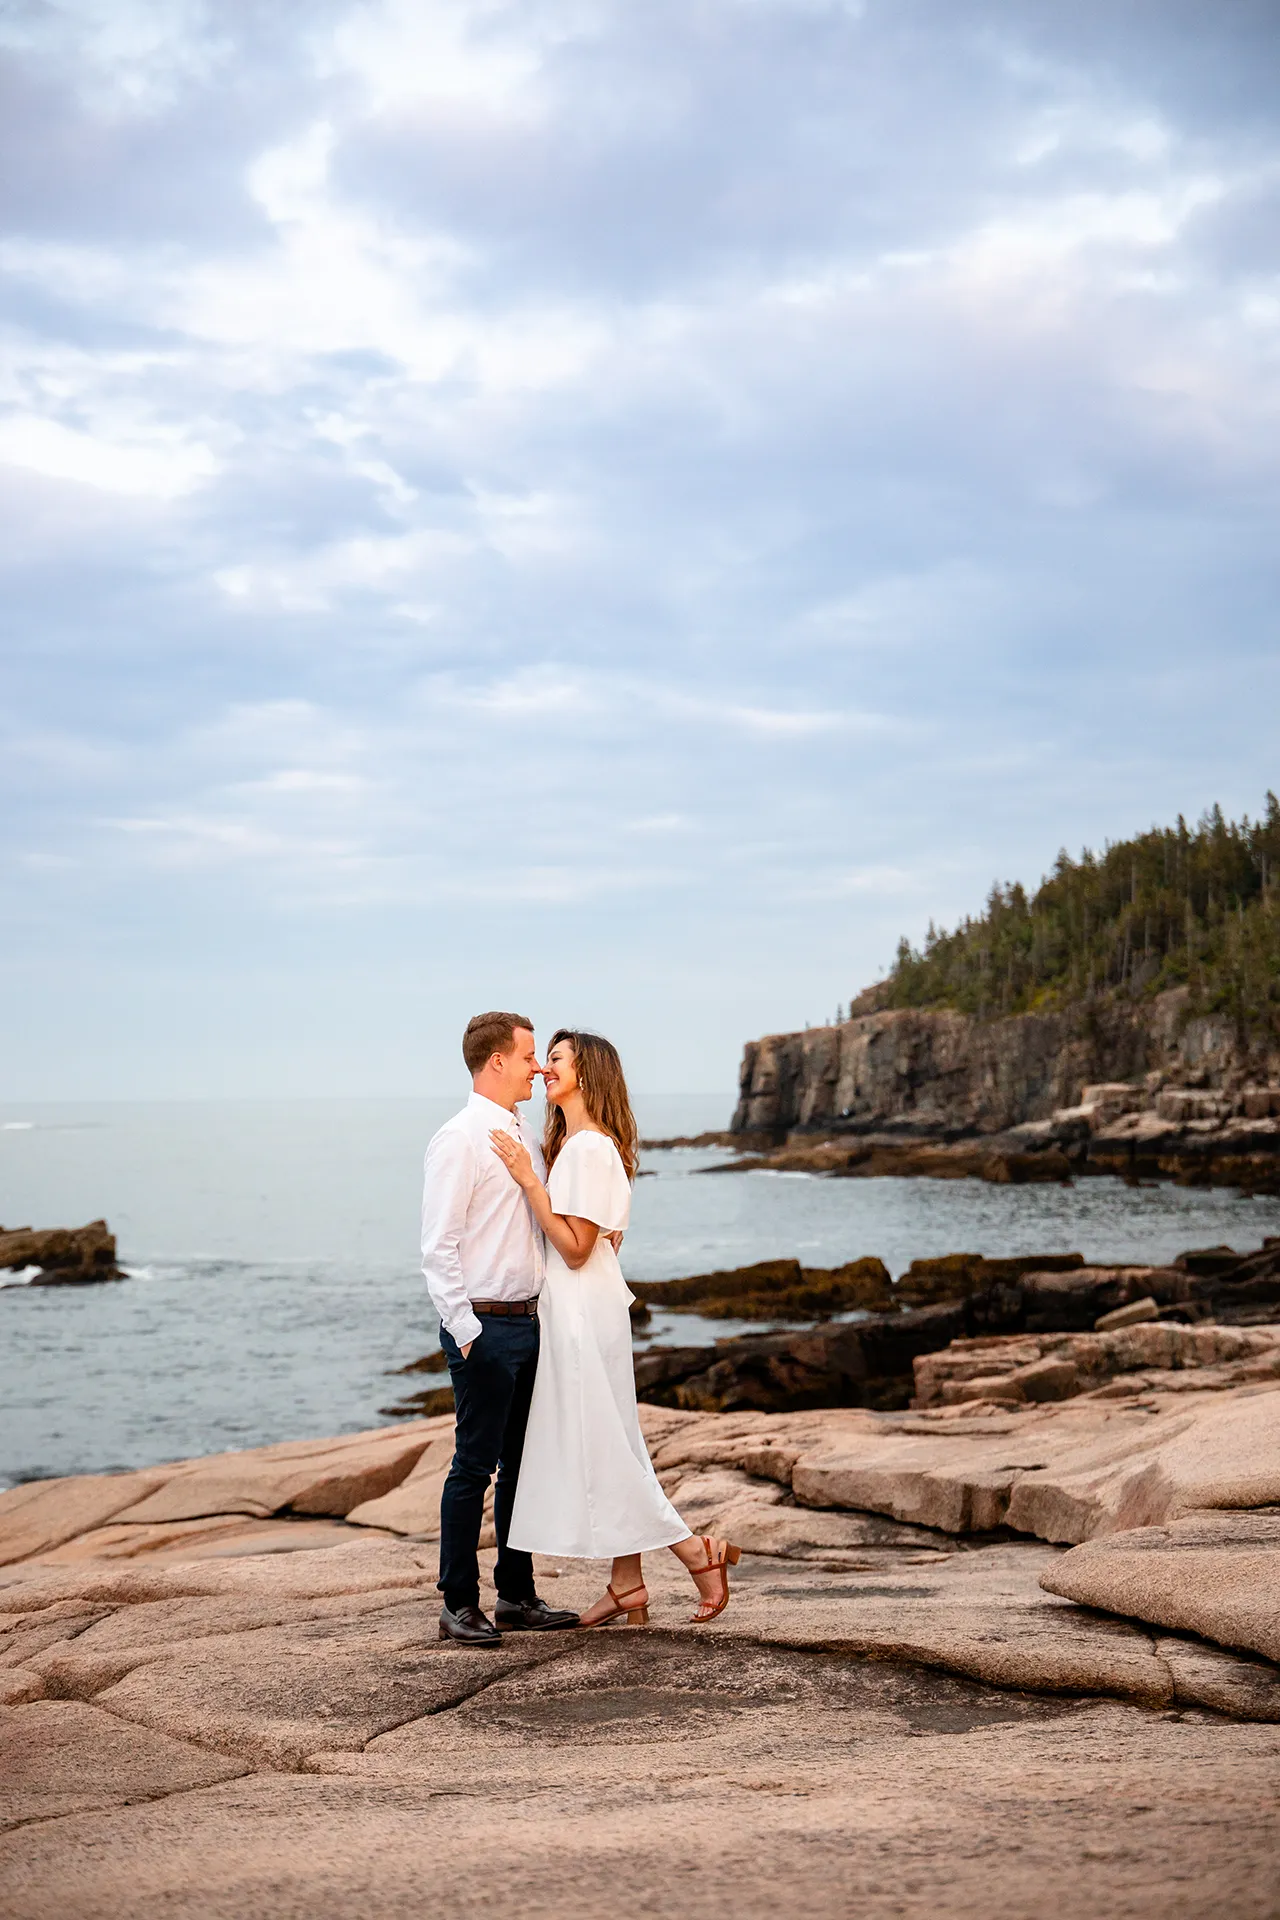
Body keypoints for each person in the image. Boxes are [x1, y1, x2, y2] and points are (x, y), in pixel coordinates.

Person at [490, 1028, 740, 1627]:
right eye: (544, 1060)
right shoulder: (578, 1145)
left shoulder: (586, 1149)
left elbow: (575, 1249)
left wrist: (529, 1181)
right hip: (585, 1305)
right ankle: (627, 1584)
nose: (546, 1069)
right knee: (609, 1443)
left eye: (556, 1060)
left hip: (580, 1309)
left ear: (587, 1073)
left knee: (605, 1446)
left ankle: (696, 1552)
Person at [421, 1011, 581, 1646]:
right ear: (497, 1063)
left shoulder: (520, 1135)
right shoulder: (459, 1138)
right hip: (484, 1327)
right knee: (473, 1467)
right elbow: (439, 1248)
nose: (538, 1067)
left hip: (528, 1322)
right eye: (529, 1056)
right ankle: (458, 1602)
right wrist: (467, 1333)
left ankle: (516, 1594)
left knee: (521, 1466)